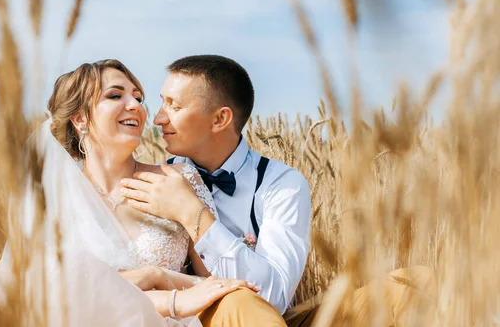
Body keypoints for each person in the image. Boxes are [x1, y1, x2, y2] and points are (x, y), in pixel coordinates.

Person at [0, 59, 258, 326]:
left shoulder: (177, 179)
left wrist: (170, 275)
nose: (135, 105)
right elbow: (38, 293)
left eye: (139, 97)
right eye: (115, 96)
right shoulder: (51, 194)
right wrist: (154, 280)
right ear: (80, 119)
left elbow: (216, 282)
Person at [121, 55, 438, 326]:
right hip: (204, 319)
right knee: (237, 304)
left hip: (272, 319)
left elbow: (272, 295)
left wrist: (192, 213)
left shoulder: (280, 183)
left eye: (174, 106)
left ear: (220, 119)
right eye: (160, 103)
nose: (158, 118)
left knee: (415, 282)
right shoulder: (158, 178)